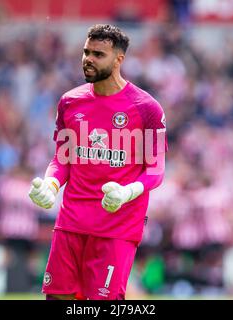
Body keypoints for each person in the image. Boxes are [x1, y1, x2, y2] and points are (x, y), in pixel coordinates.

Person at [28, 24, 167, 300]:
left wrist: (127, 192)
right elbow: (62, 158)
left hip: (117, 227)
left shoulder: (146, 108)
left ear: (119, 59)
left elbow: (156, 170)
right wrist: (52, 184)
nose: (88, 59)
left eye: (98, 54)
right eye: (86, 52)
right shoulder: (70, 102)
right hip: (71, 222)